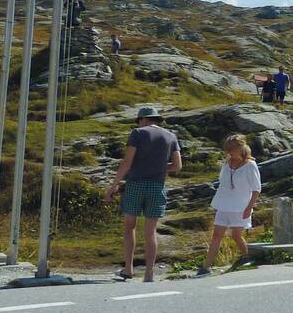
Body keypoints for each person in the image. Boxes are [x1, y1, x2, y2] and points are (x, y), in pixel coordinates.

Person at [105, 106, 182, 282]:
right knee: (150, 231)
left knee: (129, 226)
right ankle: (149, 273)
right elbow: (177, 166)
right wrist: (158, 168)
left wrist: (113, 186)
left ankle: (129, 269)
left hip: (135, 185)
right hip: (157, 187)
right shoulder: (171, 136)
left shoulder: (138, 133)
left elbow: (127, 162)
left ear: (144, 120)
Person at [199, 134, 261, 276]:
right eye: (228, 148)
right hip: (224, 204)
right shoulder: (227, 163)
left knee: (236, 235)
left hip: (240, 206)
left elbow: (256, 189)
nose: (229, 151)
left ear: (241, 147)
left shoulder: (250, 165)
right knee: (216, 235)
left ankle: (246, 257)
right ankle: (206, 267)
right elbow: (222, 181)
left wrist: (249, 207)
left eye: (232, 148)